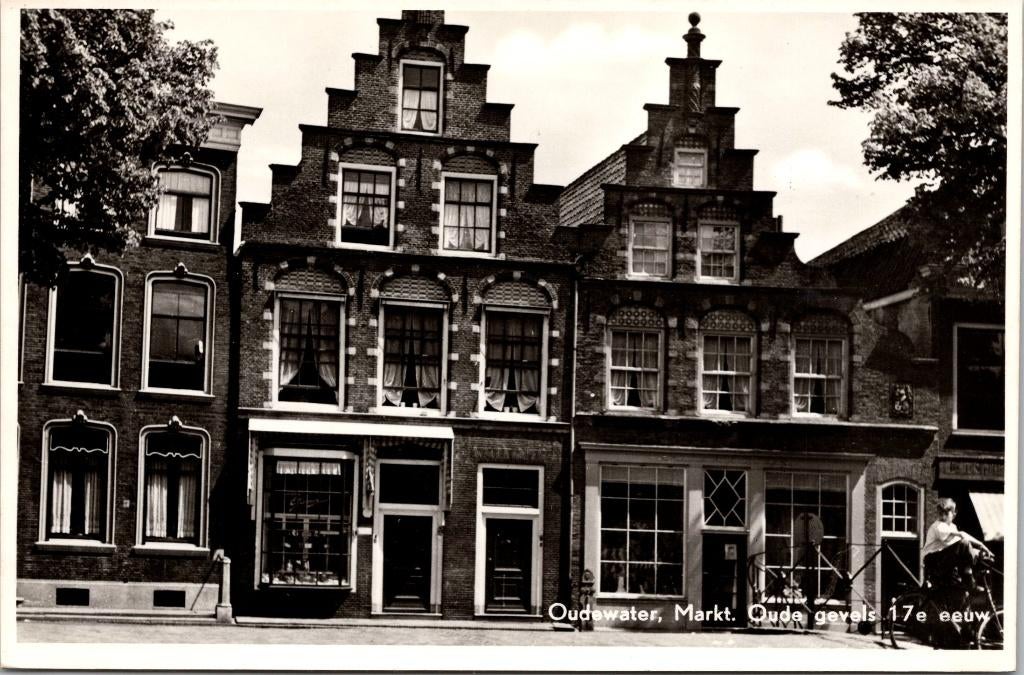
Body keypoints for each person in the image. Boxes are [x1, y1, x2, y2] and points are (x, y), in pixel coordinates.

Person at [922, 498, 993, 590]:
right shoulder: (938, 526)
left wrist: (978, 552)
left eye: (946, 514)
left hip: (942, 560)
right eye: (940, 513)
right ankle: (969, 576)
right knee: (964, 543)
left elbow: (958, 546)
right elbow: (962, 536)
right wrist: (981, 545)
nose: (943, 517)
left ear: (954, 514)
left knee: (960, 593)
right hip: (933, 561)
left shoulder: (952, 527)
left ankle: (968, 577)